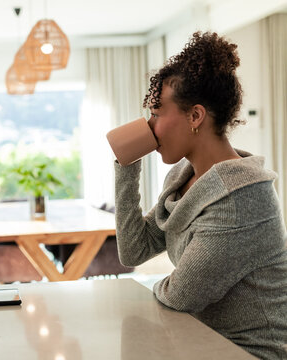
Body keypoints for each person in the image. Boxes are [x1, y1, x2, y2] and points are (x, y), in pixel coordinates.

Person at [114, 32, 287, 359]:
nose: (150, 127)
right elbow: (134, 251)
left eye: (157, 113)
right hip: (198, 341)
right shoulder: (184, 177)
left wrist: (168, 283)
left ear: (195, 117)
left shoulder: (240, 200)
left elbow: (181, 296)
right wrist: (126, 164)